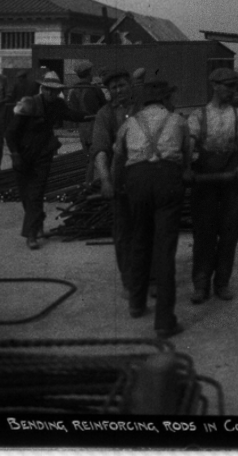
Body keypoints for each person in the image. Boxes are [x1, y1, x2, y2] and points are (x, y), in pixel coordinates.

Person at [113, 80, 192, 339]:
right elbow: (188, 159)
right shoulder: (178, 121)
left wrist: (116, 186)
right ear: (166, 99)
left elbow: (118, 159)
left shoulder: (129, 123)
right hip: (168, 180)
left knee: (140, 240)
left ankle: (136, 303)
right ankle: (164, 321)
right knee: (164, 249)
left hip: (137, 181)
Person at [186, 67, 238, 304]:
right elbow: (191, 141)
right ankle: (201, 284)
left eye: (234, 86)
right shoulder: (199, 116)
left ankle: (222, 282)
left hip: (231, 180)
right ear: (215, 86)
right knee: (204, 234)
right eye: (228, 86)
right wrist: (186, 167)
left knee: (228, 234)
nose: (233, 91)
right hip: (205, 180)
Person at [5, 71, 91, 250]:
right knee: (25, 196)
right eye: (48, 90)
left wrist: (94, 116)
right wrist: (15, 154)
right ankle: (38, 222)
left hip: (43, 155)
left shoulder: (58, 105)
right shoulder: (28, 104)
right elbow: (11, 133)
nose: (51, 94)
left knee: (35, 194)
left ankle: (31, 235)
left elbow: (72, 115)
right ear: (42, 89)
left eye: (55, 90)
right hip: (23, 155)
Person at [91, 68, 137, 298]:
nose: (118, 90)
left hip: (145, 178)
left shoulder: (143, 109)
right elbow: (100, 150)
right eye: (113, 87)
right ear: (108, 91)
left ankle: (152, 278)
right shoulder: (105, 115)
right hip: (120, 180)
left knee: (151, 229)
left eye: (122, 85)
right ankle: (129, 281)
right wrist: (106, 180)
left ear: (131, 85)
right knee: (123, 233)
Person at [67, 60, 107, 185]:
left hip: (82, 129)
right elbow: (104, 107)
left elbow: (72, 110)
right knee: (98, 157)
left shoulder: (73, 90)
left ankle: (89, 183)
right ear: (88, 74)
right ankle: (91, 183)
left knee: (89, 158)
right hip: (95, 126)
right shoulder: (94, 89)